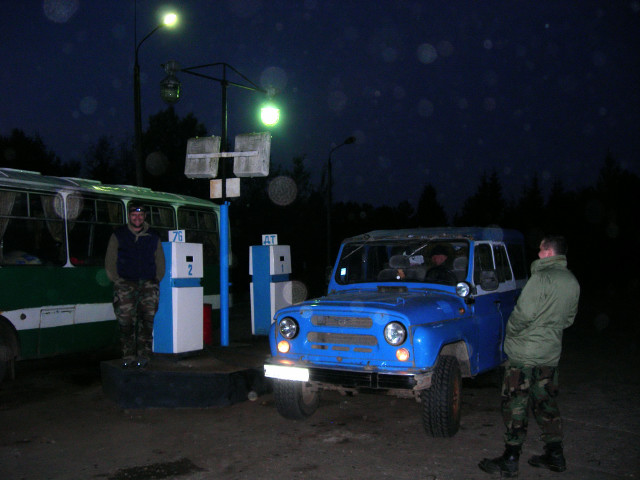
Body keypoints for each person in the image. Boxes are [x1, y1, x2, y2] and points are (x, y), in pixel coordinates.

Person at [479, 235, 580, 478]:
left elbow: (522, 314)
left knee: (515, 403)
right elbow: (568, 319)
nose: (538, 253)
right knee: (546, 402)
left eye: (541, 249)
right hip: (550, 353)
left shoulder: (541, 278)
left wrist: (512, 333)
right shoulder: (571, 281)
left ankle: (511, 458)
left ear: (549, 252)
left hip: (525, 354)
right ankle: (555, 454)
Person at [105, 203, 165, 368]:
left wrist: (156, 279)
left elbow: (160, 260)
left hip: (149, 284)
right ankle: (128, 355)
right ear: (129, 216)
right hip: (125, 284)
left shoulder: (153, 236)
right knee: (125, 322)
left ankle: (144, 356)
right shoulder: (119, 235)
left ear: (144, 216)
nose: (137, 218)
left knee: (147, 322)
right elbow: (110, 260)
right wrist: (116, 280)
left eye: (140, 215)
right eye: (133, 215)